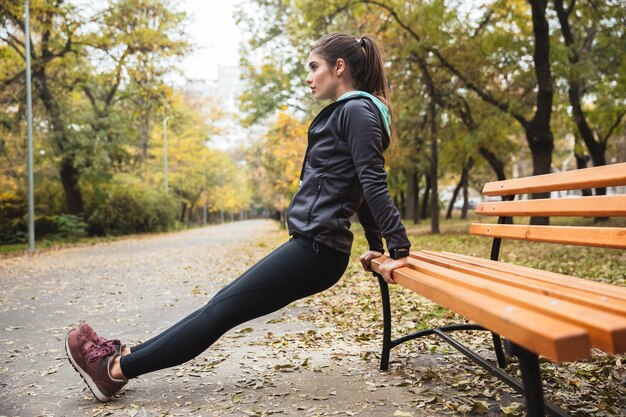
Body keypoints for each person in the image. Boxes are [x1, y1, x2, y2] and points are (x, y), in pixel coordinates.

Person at [65, 32, 412, 402]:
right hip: (313, 246)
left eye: (315, 67)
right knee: (219, 306)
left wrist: (397, 246)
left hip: (318, 250)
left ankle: (112, 372)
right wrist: (377, 246)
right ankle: (124, 358)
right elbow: (361, 187)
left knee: (220, 313)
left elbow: (373, 184)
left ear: (339, 67)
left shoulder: (357, 111)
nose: (309, 78)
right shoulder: (351, 111)